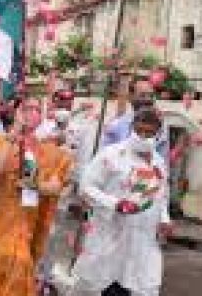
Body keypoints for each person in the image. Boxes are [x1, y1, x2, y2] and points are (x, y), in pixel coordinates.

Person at [0, 96, 73, 296]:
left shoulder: (51, 151)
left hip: (29, 222)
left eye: (37, 109)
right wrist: (14, 135)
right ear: (16, 112)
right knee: (10, 261)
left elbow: (56, 187)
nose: (31, 113)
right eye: (27, 108)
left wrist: (35, 185)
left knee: (19, 265)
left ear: (42, 117)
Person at [71, 107, 172, 296]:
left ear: (158, 134)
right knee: (100, 286)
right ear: (131, 128)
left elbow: (161, 195)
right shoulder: (111, 155)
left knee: (140, 287)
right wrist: (115, 203)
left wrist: (164, 219)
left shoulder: (159, 163)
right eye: (139, 130)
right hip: (110, 237)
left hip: (143, 243)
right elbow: (86, 187)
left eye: (149, 133)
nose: (142, 136)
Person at [35, 87, 95, 289]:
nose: (65, 105)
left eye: (68, 101)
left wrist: (82, 190)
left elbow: (84, 159)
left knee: (54, 232)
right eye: (61, 101)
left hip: (63, 189)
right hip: (40, 187)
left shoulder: (82, 127)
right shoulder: (43, 126)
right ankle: (33, 270)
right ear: (54, 102)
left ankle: (46, 274)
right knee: (37, 228)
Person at [103, 77, 168, 160]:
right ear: (131, 96)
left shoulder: (160, 127)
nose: (148, 99)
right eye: (142, 95)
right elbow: (105, 158)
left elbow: (162, 160)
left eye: (151, 96)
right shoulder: (116, 126)